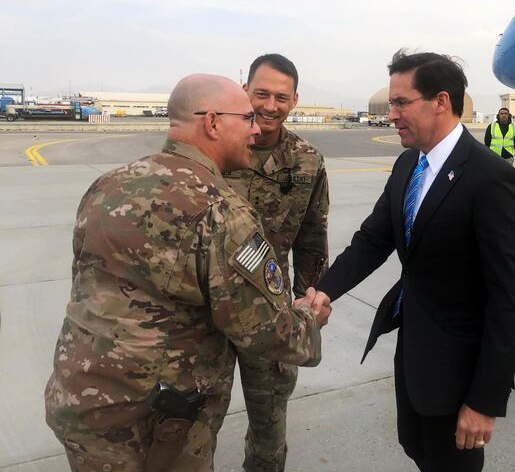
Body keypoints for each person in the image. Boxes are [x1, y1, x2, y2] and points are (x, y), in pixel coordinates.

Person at [43, 74, 330, 471]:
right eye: (246, 118)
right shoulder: (221, 212)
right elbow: (266, 332)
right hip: (156, 418)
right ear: (212, 123)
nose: (255, 128)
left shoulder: (108, 185)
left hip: (80, 399)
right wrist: (309, 322)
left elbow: (86, 279)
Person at [310, 50, 515, 471]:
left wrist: (485, 400)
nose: (391, 114)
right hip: (415, 351)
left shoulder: (491, 178)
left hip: (459, 369)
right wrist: (325, 289)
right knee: (418, 450)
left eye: (401, 103)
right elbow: (374, 238)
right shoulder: (408, 163)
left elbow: (512, 298)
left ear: (441, 102)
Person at [225, 54, 329, 472]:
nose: (270, 105)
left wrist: (312, 296)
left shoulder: (307, 160)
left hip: (271, 308)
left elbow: (312, 235)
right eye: (261, 93)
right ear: (245, 89)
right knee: (193, 418)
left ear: (295, 100)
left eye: (281, 97)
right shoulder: (217, 147)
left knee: (269, 418)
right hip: (205, 310)